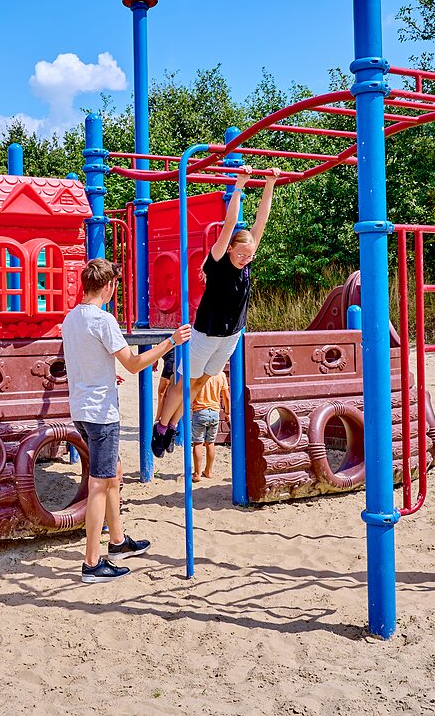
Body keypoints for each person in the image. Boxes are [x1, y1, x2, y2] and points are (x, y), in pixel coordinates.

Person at [61, 258, 191, 583]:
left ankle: (117, 541)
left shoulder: (71, 318)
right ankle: (92, 563)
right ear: (108, 286)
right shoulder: (104, 320)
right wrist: (170, 342)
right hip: (101, 414)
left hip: (81, 409)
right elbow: (133, 364)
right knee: (99, 484)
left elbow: (88, 359)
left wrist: (105, 375)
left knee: (114, 472)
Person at [152, 168, 279, 458]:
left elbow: (262, 220)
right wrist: (240, 184)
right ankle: (161, 427)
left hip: (231, 334)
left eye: (250, 255)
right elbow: (231, 222)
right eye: (241, 254)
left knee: (201, 381)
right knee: (184, 382)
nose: (246, 259)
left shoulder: (247, 259)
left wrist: (270, 184)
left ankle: (174, 425)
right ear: (230, 248)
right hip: (207, 332)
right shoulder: (219, 260)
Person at [190, 371, 228, 482]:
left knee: (198, 443)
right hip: (214, 412)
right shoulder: (221, 374)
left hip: (200, 411)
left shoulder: (199, 372)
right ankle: (209, 471)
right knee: (210, 443)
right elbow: (226, 396)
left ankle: (197, 473)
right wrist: (227, 412)